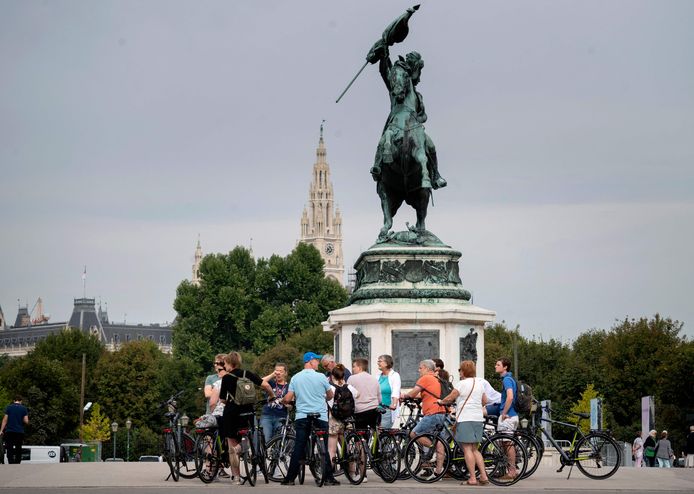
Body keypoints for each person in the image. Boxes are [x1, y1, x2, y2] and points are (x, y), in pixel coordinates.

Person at [281, 352, 339, 486]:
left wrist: (284, 401)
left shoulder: (296, 377)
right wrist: (322, 398)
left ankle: (290, 478)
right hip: (320, 416)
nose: (318, 363)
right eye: (317, 361)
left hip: (302, 416)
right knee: (324, 446)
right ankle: (329, 478)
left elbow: (289, 398)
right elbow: (330, 395)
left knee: (299, 446)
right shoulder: (321, 377)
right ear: (310, 361)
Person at [219, 352, 276, 484]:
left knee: (231, 444)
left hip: (231, 413)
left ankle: (236, 477)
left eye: (225, 364)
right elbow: (266, 385)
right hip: (248, 412)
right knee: (250, 435)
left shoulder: (226, 378)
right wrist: (272, 396)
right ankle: (242, 446)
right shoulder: (247, 374)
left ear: (229, 364)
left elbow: (222, 399)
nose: (225, 366)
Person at [437, 360, 490, 486]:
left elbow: (451, 397)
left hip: (465, 418)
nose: (459, 372)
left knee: (467, 449)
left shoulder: (461, 384)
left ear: (464, 371)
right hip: (477, 418)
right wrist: (476, 406)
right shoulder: (479, 383)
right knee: (475, 449)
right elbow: (485, 400)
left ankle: (472, 478)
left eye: (460, 370)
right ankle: (483, 476)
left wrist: (441, 402)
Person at [400, 359, 448, 477]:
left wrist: (404, 396)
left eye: (420, 368)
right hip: (441, 412)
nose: (419, 370)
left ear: (426, 368)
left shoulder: (425, 378)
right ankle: (438, 472)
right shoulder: (437, 378)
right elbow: (423, 394)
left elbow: (413, 393)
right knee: (440, 441)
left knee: (414, 433)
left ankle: (433, 448)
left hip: (432, 413)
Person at [490, 357, 519, 480]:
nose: (495, 366)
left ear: (505, 367)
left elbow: (510, 397)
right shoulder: (508, 378)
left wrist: (504, 412)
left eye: (498, 364)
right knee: (505, 443)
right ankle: (510, 470)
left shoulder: (507, 379)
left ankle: (512, 472)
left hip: (508, 416)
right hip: (511, 415)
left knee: (508, 443)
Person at [327, 364, 360, 470]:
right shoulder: (349, 387)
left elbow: (327, 400)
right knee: (348, 446)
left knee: (331, 449)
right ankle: (352, 471)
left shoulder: (330, 387)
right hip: (347, 419)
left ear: (332, 376)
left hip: (334, 419)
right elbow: (357, 394)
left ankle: (330, 472)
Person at [207, 356, 230, 478]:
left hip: (218, 414)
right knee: (229, 438)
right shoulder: (236, 380)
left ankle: (211, 468)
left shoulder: (217, 383)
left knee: (215, 439)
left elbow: (212, 402)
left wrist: (212, 412)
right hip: (232, 414)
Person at [260, 363, 290, 445]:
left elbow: (291, 402)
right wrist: (272, 374)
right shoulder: (271, 383)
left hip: (281, 417)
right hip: (267, 415)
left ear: (286, 373)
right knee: (265, 439)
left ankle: (275, 457)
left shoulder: (289, 386)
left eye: (281, 371)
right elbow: (260, 381)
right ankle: (265, 457)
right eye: (276, 371)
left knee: (279, 442)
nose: (278, 373)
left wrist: (289, 405)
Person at [348, 358, 382, 432]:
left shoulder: (352, 379)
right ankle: (378, 443)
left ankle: (360, 443)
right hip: (374, 410)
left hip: (360, 411)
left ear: (359, 367)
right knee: (376, 432)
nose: (353, 369)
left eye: (354, 366)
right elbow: (379, 398)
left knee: (360, 435)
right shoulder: (374, 379)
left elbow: (348, 395)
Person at [1, 395, 29, 464]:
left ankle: (10, 462)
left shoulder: (9, 407)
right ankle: (17, 462)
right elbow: (26, 421)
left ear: (14, 401)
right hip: (19, 432)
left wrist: (1, 430)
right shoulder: (24, 408)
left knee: (9, 447)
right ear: (21, 401)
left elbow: (5, 420)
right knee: (18, 447)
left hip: (9, 431)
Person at [377, 354, 401, 429]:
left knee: (382, 433)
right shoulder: (378, 376)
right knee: (376, 434)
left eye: (380, 361)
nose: (378, 363)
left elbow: (396, 391)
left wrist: (394, 404)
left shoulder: (395, 375)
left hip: (387, 410)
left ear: (387, 363)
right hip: (377, 409)